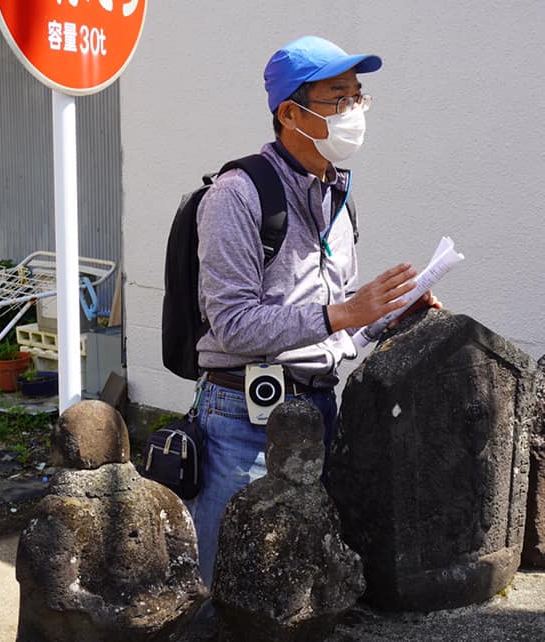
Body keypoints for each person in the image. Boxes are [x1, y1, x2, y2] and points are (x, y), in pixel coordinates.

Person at [186, 35, 435, 588]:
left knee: (298, 588)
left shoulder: (337, 195)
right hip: (243, 419)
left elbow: (338, 326)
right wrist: (344, 313)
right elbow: (233, 324)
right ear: (289, 113)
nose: (353, 111)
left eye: (357, 97)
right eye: (337, 98)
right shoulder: (236, 194)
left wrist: (393, 311)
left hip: (320, 412)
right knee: (224, 584)